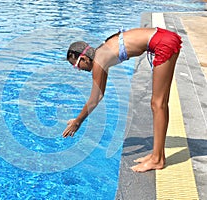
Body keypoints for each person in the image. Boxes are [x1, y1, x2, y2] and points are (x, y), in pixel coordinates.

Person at [62, 27, 182, 172]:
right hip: (163, 38)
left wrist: (77, 122)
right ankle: (157, 154)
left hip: (163, 43)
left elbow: (95, 98)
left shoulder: (99, 60)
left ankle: (157, 160)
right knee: (158, 103)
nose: (79, 69)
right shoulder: (102, 52)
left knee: (158, 104)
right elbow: (100, 94)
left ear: (84, 58)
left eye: (76, 65)